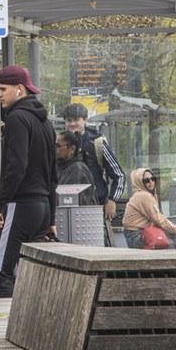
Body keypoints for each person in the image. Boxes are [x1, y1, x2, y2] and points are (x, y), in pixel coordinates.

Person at [0, 65, 57, 297]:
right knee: (30, 273)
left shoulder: (17, 119)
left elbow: (16, 167)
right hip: (42, 208)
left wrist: (0, 205)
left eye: (2, 89)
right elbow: (52, 173)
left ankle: (10, 325)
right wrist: (52, 216)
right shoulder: (45, 123)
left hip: (20, 205)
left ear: (19, 89)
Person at [62, 103, 128, 244]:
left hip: (94, 208)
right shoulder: (58, 144)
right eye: (69, 120)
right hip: (65, 208)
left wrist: (112, 200)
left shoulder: (97, 143)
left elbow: (119, 175)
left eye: (76, 120)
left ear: (85, 120)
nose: (72, 124)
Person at [121, 167, 176, 249]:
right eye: (146, 180)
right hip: (137, 236)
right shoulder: (143, 195)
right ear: (139, 182)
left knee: (173, 238)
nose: (151, 182)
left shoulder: (141, 194)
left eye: (153, 179)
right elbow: (159, 219)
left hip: (136, 234)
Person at [55, 131, 97, 203]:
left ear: (72, 149)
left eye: (58, 146)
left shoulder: (77, 169)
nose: (54, 149)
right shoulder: (58, 167)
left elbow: (68, 199)